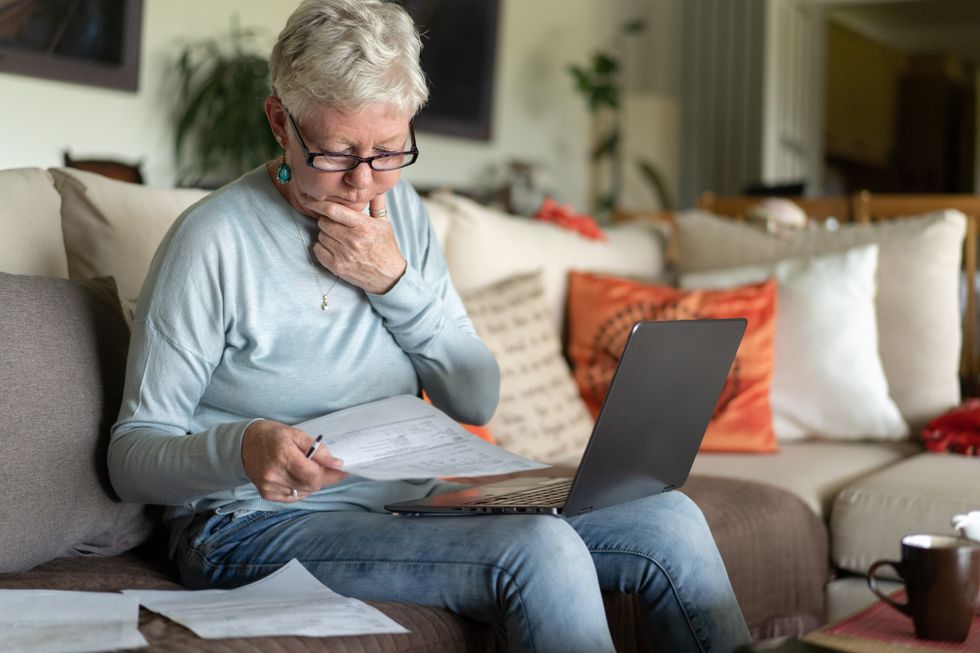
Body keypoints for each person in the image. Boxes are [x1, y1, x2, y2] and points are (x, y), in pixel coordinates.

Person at [108, 1, 752, 651]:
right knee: (540, 550)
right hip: (245, 527)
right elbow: (131, 456)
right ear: (281, 121)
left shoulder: (403, 212)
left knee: (669, 518)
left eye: (388, 151)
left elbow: (475, 397)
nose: (364, 182)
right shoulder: (211, 241)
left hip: (404, 502)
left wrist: (394, 282)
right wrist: (240, 449)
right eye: (335, 153)